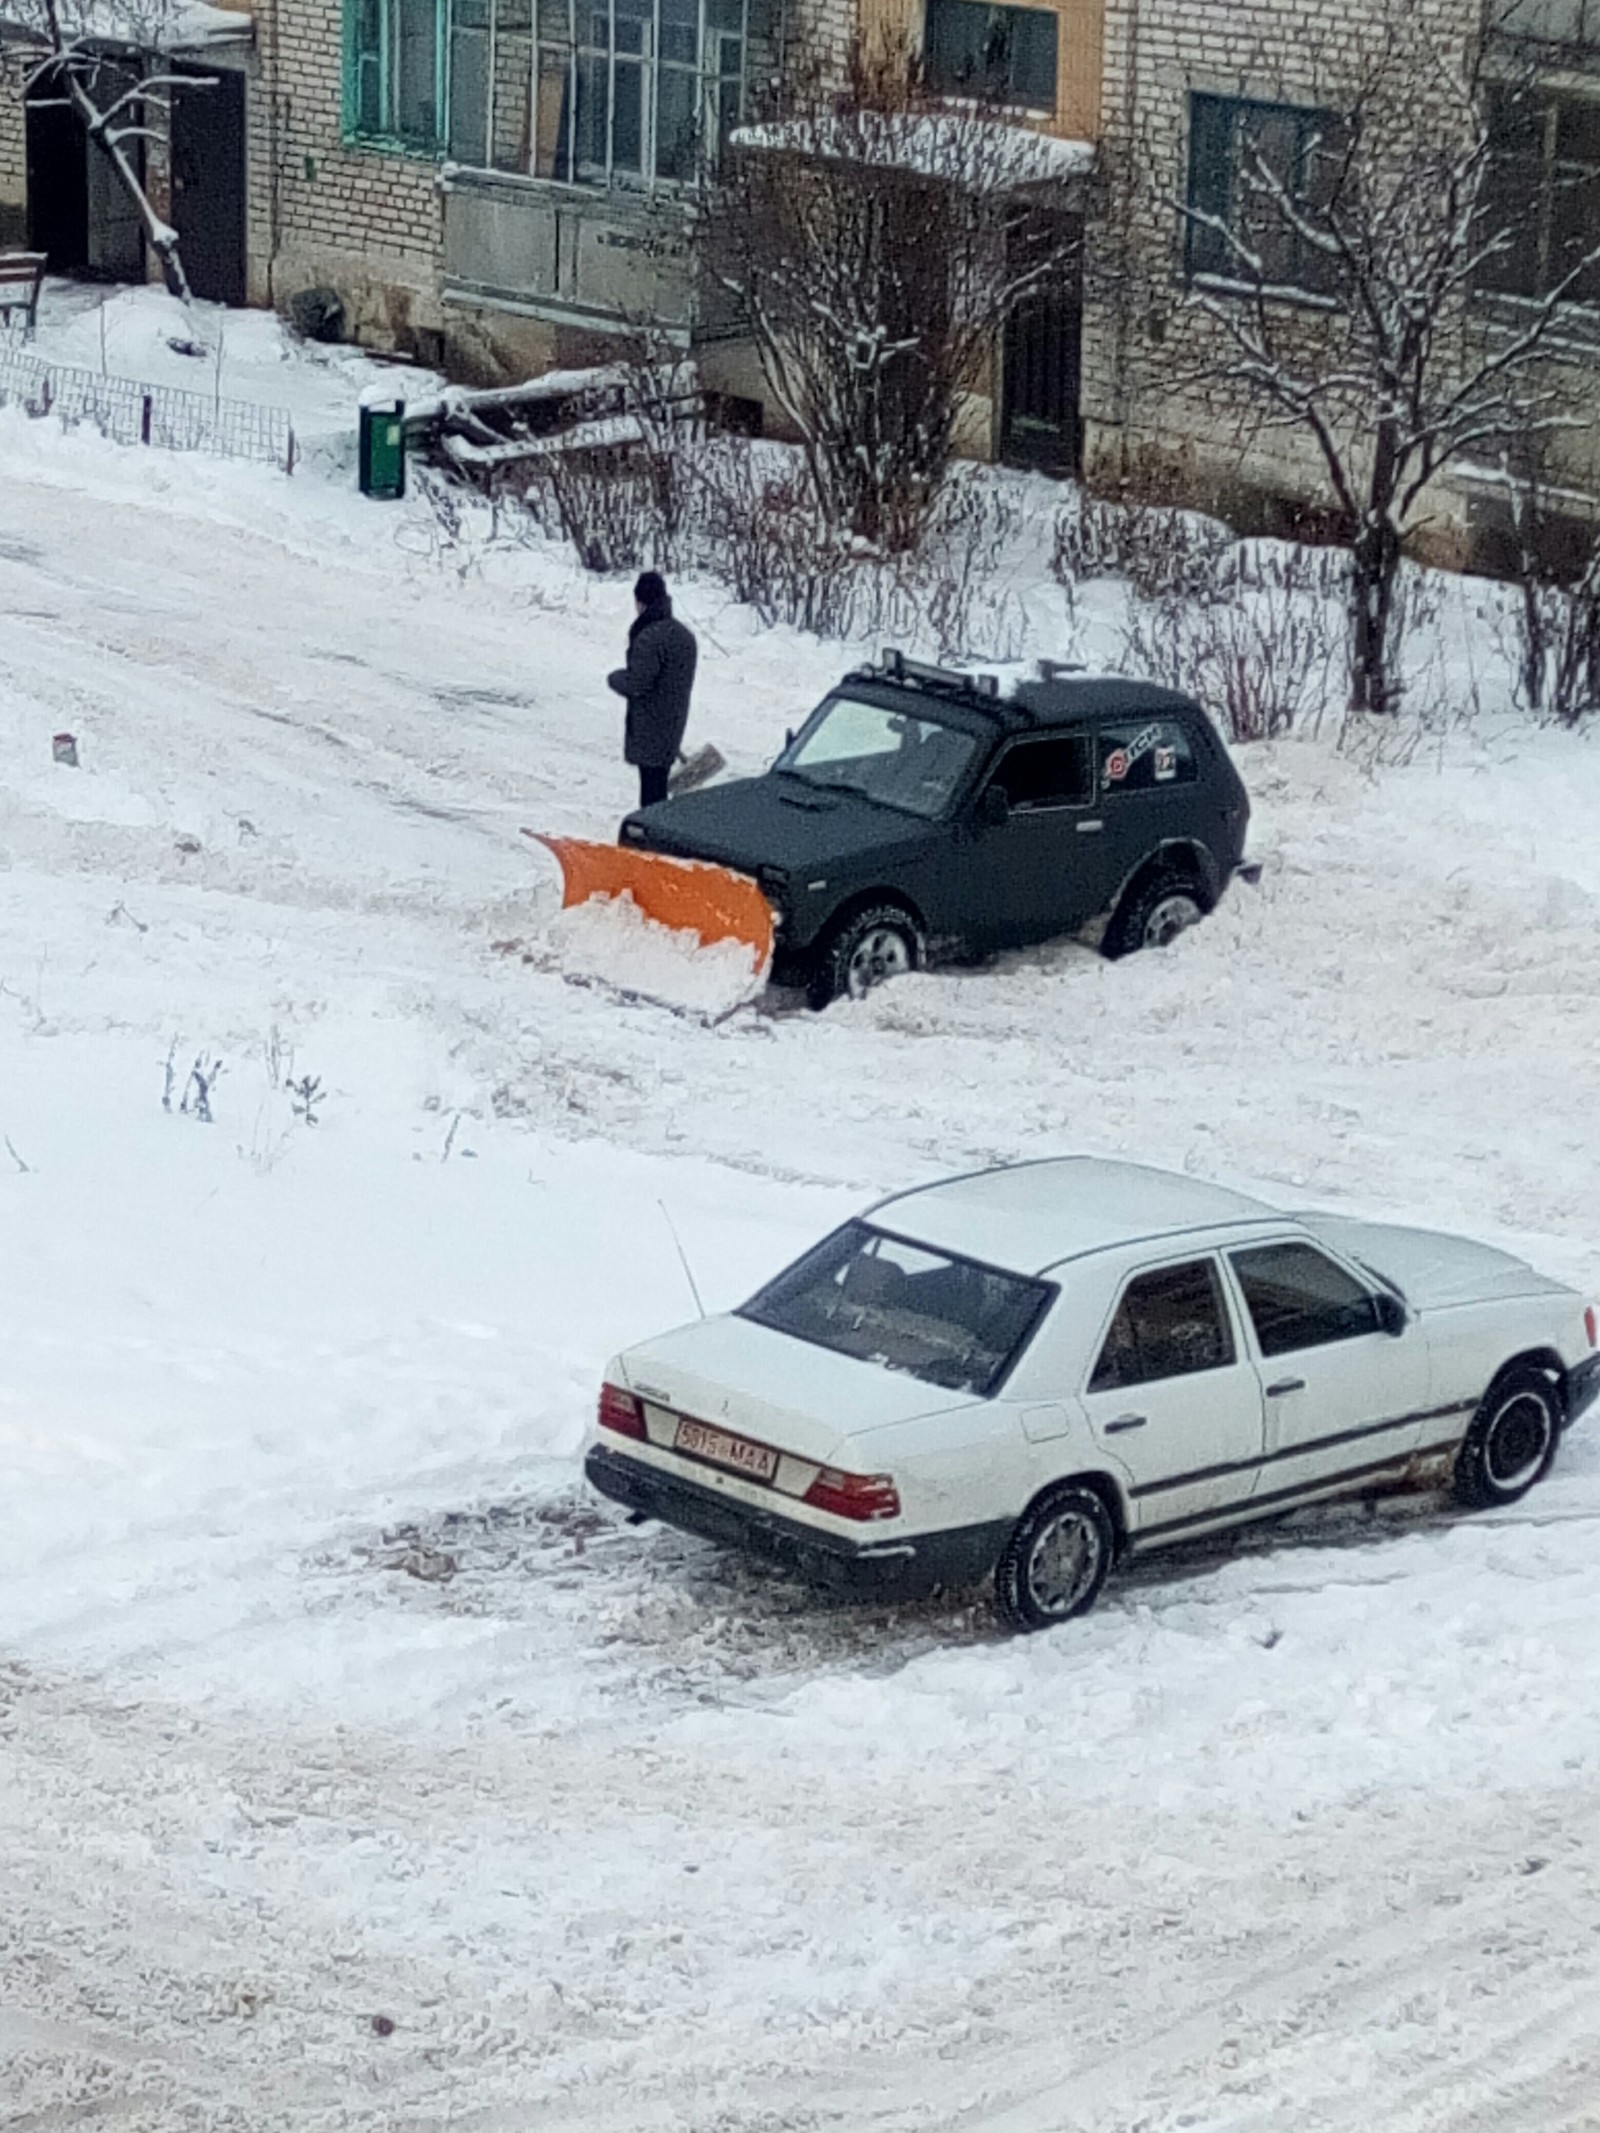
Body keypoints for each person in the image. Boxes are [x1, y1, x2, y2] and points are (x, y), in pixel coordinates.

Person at [606, 571, 698, 810]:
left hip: (650, 725)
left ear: (640, 601)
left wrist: (614, 678)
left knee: (651, 793)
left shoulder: (649, 637)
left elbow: (638, 683)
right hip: (673, 723)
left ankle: (652, 840)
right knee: (659, 785)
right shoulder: (684, 635)